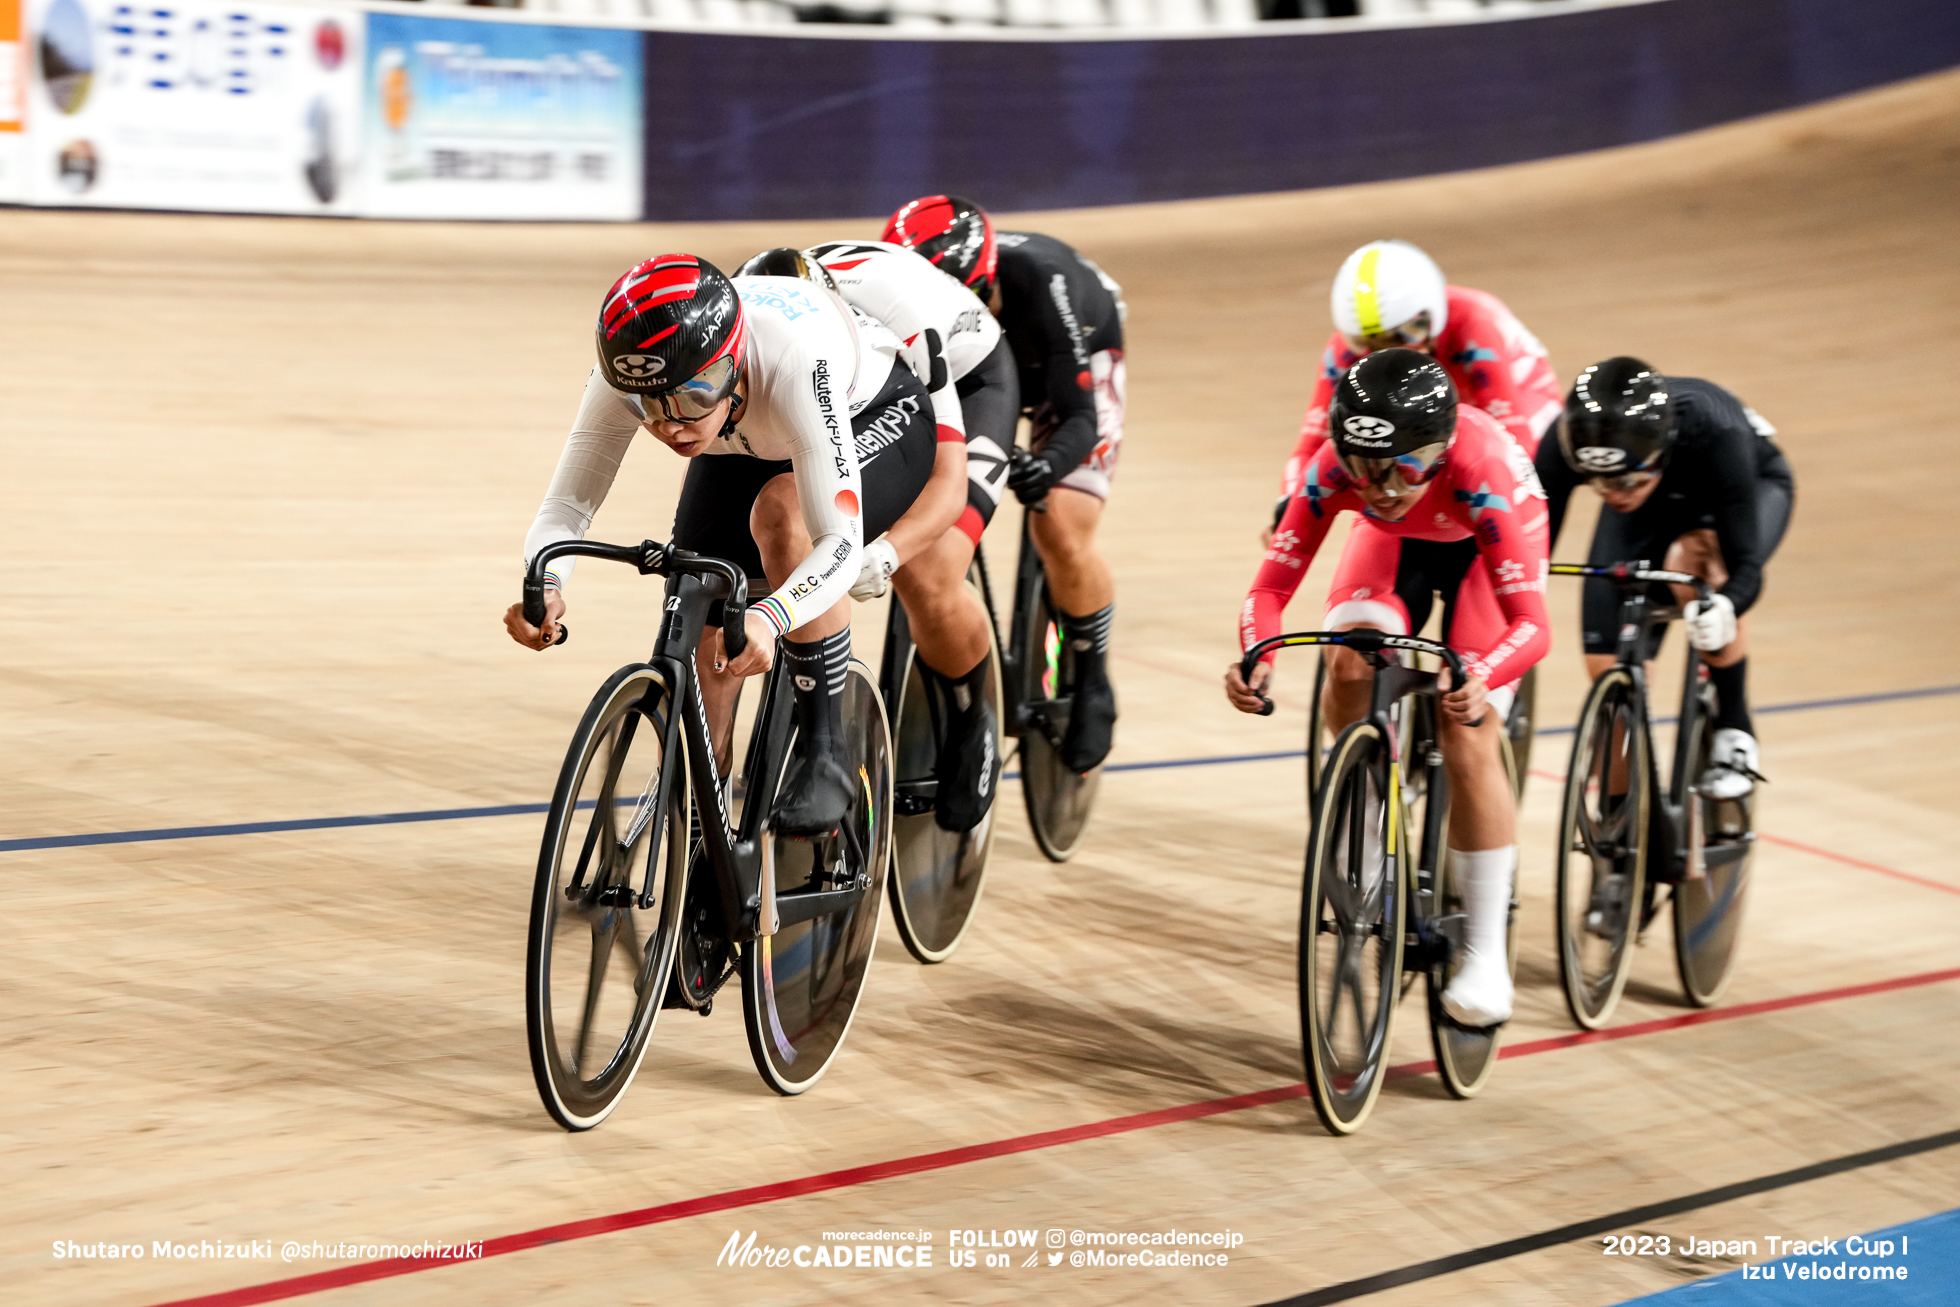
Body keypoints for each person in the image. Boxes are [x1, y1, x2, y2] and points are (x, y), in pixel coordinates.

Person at [503, 254, 938, 837]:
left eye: (685, 399)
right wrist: (547, 586)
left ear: (731, 363)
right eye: (646, 407)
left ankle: (827, 749)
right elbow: (565, 509)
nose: (668, 426)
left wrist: (771, 615)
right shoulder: (639, 377)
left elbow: (839, 543)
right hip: (742, 431)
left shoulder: (791, 360)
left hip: (870, 415)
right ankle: (697, 824)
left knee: (783, 516)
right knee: (698, 597)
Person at [1225, 350, 1551, 1027]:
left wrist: (1484, 675)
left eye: (1403, 466)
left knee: (1468, 729)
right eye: (1362, 467)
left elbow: (1531, 625)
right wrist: (1256, 656)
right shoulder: (1337, 474)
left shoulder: (1479, 469)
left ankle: (1486, 952)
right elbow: (1270, 588)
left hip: (1486, 550)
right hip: (1395, 547)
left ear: (1438, 449)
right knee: (1348, 660)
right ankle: (1368, 812)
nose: (1381, 486)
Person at [736, 243, 1013, 833]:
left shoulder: (901, 315)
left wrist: (887, 553)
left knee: (928, 572)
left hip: (967, 378)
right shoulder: (766, 330)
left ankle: (971, 710)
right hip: (853, 377)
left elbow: (947, 481)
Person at [883, 195, 1125, 773]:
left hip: (1065, 361)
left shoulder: (1044, 283)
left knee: (1061, 524)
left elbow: (1078, 417)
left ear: (986, 281)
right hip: (965, 367)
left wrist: (1049, 464)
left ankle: (1091, 673)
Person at [1536, 357, 1794, 799]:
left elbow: (1746, 567)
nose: (1616, 495)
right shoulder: (1569, 443)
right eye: (1601, 483)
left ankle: (1735, 731)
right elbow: (1529, 548)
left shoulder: (1715, 427)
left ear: (1660, 452)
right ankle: (1624, 824)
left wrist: (1725, 605)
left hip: (1740, 488)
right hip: (1652, 507)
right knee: (1606, 664)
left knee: (1694, 568)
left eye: (1629, 481)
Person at [1272, 238, 1561, 526]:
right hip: (1439, 413)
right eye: (1370, 343)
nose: (1391, 352)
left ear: (1431, 315)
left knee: (1481, 475)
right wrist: (1288, 501)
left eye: (1403, 335)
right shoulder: (1344, 350)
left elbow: (1513, 429)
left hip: (1524, 399)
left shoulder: (1473, 320)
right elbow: (1313, 442)